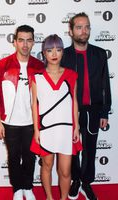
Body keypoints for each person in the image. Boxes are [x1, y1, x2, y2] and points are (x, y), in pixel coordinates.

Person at [61, 12, 112, 200]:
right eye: (79, 27)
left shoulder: (99, 54)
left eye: (87, 27)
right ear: (71, 31)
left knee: (90, 149)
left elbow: (105, 83)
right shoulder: (64, 55)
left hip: (93, 110)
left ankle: (87, 182)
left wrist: (105, 110)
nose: (84, 31)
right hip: (70, 112)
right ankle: (75, 180)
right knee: (73, 149)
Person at [0, 25, 44, 200]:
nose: (24, 44)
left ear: (33, 42)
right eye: (21, 40)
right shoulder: (2, 65)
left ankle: (28, 187)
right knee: (13, 157)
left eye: (29, 40)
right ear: (15, 42)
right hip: (10, 122)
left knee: (30, 158)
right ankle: (17, 188)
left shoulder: (39, 66)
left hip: (32, 122)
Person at [30, 34, 82, 200]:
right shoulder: (36, 77)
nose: (54, 54)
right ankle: (49, 197)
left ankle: (63, 198)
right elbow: (34, 105)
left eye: (58, 50)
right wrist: (36, 130)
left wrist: (77, 127)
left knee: (65, 170)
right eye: (50, 50)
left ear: (62, 53)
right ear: (44, 53)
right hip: (46, 129)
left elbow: (74, 102)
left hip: (66, 129)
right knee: (47, 165)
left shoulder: (72, 75)